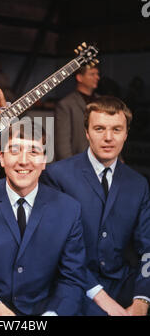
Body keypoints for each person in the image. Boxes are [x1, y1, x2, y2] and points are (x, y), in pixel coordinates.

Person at [41, 96, 150, 316]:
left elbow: (147, 249)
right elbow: (57, 249)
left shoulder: (138, 184)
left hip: (124, 282)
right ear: (87, 132)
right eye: (99, 128)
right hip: (76, 283)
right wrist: (101, 298)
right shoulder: (57, 176)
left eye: (116, 129)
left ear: (126, 133)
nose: (108, 138)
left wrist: (142, 299)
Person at [0, 120, 87, 316]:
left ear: (44, 160)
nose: (23, 161)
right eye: (14, 150)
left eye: (33, 152)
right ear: (2, 158)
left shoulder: (69, 209)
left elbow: (72, 279)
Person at [54, 65, 100, 160]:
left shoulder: (102, 101)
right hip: (78, 161)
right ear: (79, 78)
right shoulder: (66, 104)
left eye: (97, 74)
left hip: (102, 160)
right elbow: (62, 142)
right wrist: (68, 166)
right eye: (92, 74)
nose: (97, 77)